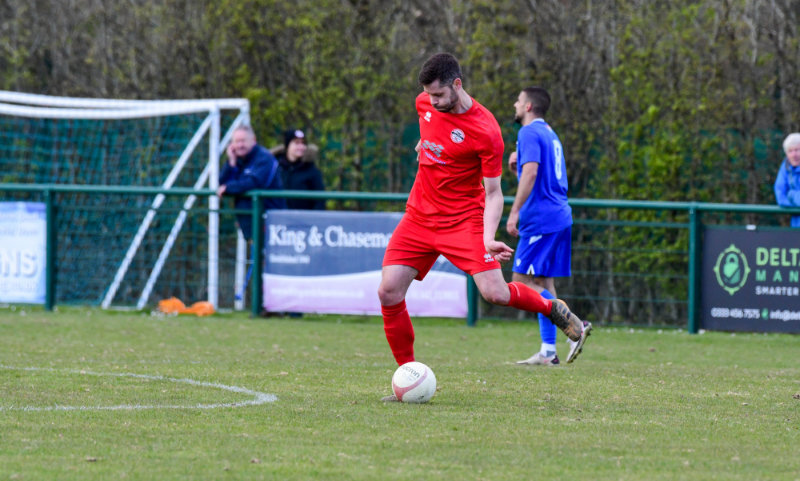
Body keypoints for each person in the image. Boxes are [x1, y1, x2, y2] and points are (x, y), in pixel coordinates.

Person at [378, 53, 592, 401]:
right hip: (418, 217)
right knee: (388, 292)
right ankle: (409, 378)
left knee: (496, 293)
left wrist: (488, 237)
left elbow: (493, 193)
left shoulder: (486, 130)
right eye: (429, 95)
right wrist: (422, 146)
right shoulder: (424, 104)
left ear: (457, 84)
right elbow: (429, 135)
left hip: (463, 219)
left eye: (439, 94)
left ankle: (553, 308)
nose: (433, 101)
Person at [506, 86, 584, 366]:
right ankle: (549, 351)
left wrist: (514, 212)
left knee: (520, 282)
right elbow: (536, 175)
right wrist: (517, 169)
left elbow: (532, 173)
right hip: (559, 215)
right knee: (543, 283)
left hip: (541, 219)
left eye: (518, 100)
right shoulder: (549, 133)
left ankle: (576, 325)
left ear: (528, 106)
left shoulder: (528, 132)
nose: (515, 105)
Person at [217, 125, 286, 240]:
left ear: (253, 140)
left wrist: (228, 188)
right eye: (236, 141)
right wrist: (231, 162)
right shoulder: (238, 159)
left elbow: (254, 182)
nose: (240, 145)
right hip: (249, 224)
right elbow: (223, 182)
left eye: (243, 141)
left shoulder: (264, 158)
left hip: (270, 223)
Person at [273, 128, 326, 210]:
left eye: (303, 143)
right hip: (278, 216)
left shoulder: (311, 170)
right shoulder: (275, 167)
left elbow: (320, 200)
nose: (301, 147)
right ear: (288, 145)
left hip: (304, 216)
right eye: (297, 143)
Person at [774, 132, 800, 227]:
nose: (794, 155)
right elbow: (780, 195)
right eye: (790, 151)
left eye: (797, 150)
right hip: (796, 224)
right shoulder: (786, 167)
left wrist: (791, 195)